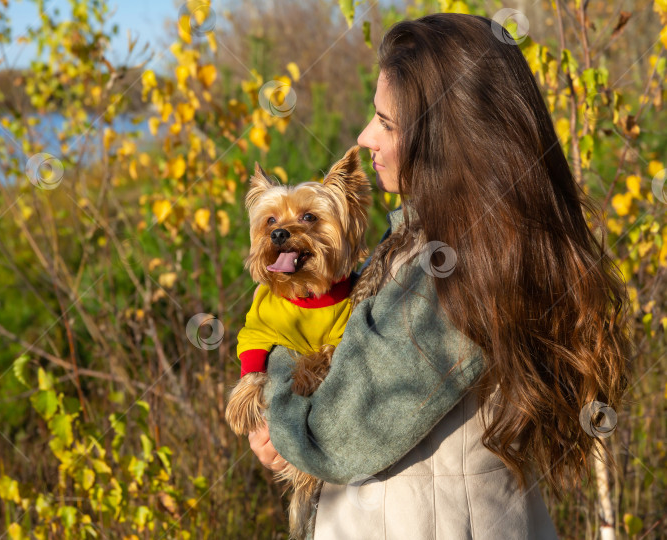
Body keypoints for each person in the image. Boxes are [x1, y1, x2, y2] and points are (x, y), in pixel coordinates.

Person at [248, 12, 632, 539]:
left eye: (386, 122)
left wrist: (274, 384)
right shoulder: (475, 241)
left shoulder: (451, 265)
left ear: (447, 134)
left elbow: (331, 438)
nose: (365, 138)